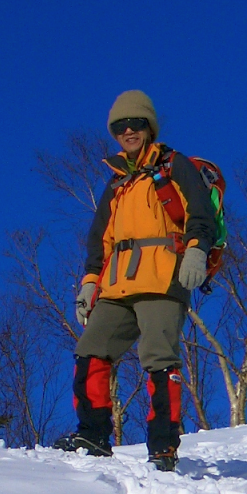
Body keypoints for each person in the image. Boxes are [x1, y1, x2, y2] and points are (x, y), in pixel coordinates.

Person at [53, 90, 218, 469]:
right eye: (120, 126)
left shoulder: (173, 165)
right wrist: (90, 281)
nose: (128, 131)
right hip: (117, 283)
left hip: (162, 277)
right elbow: (100, 238)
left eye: (136, 124)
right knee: (90, 349)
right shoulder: (116, 182)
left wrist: (196, 249)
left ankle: (163, 445)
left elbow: (200, 212)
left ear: (149, 127)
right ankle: (92, 434)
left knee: (158, 358)